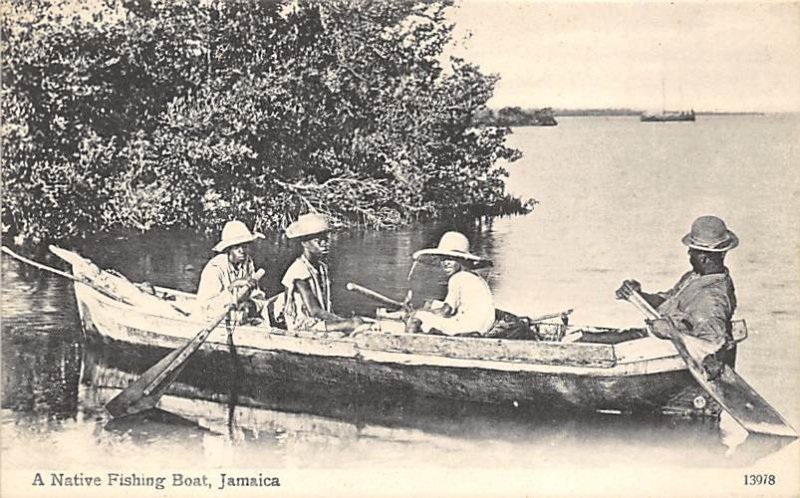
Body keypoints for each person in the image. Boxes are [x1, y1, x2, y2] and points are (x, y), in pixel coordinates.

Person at [616, 215, 739, 377]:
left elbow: (712, 353)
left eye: (692, 250)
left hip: (666, 356)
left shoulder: (712, 301)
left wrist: (670, 332)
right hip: (656, 341)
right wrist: (637, 295)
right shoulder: (695, 277)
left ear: (704, 257)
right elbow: (668, 299)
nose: (689, 253)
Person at [280, 213, 363, 333]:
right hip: (303, 325)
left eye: (326, 239)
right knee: (355, 323)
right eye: (318, 241)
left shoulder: (321, 267)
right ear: (304, 243)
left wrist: (340, 320)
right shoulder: (298, 271)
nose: (325, 244)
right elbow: (314, 311)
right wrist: (342, 321)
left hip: (318, 321)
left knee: (357, 321)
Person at [406, 231, 495, 336]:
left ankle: (408, 340)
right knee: (432, 304)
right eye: (443, 259)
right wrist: (430, 306)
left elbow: (445, 311)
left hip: (468, 328)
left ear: (461, 260)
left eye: (451, 259)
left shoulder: (457, 278)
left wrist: (418, 312)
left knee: (418, 316)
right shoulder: (473, 277)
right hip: (483, 327)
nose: (445, 263)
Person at [194, 220, 267, 323]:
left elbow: (257, 296)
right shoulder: (215, 268)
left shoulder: (247, 263)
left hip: (239, 313)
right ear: (228, 249)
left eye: (245, 246)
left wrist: (251, 305)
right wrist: (232, 287)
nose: (242, 251)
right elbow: (207, 307)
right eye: (237, 247)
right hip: (212, 315)